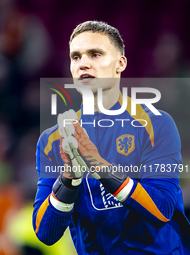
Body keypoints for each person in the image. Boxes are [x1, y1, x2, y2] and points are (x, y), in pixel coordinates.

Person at [33, 21, 190, 254]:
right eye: (75, 57)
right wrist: (68, 180)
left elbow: (161, 210)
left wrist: (101, 168)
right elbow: (45, 233)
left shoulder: (156, 124)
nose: (83, 63)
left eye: (95, 54)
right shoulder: (54, 140)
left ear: (120, 63)